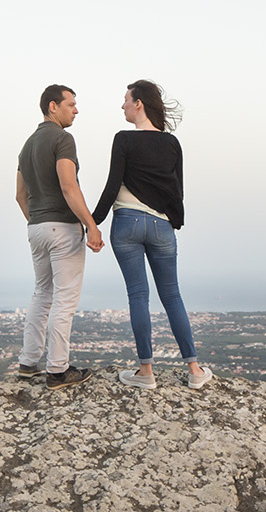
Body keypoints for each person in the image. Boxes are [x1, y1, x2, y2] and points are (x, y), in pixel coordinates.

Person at [91, 80, 212, 389]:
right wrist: (175, 222)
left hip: (127, 222)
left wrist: (93, 223)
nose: (122, 106)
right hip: (161, 226)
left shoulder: (123, 140)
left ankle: (146, 373)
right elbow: (177, 190)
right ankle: (195, 370)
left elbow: (111, 185)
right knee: (172, 295)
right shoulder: (172, 144)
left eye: (126, 100)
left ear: (139, 103)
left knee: (138, 296)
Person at [14, 84, 103, 388]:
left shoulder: (27, 145)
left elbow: (19, 195)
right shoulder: (63, 139)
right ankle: (57, 370)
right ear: (53, 106)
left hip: (36, 227)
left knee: (42, 294)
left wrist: (38, 222)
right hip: (62, 227)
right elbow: (69, 186)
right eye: (71, 104)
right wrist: (90, 225)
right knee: (65, 299)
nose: (76, 110)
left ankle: (28, 363)